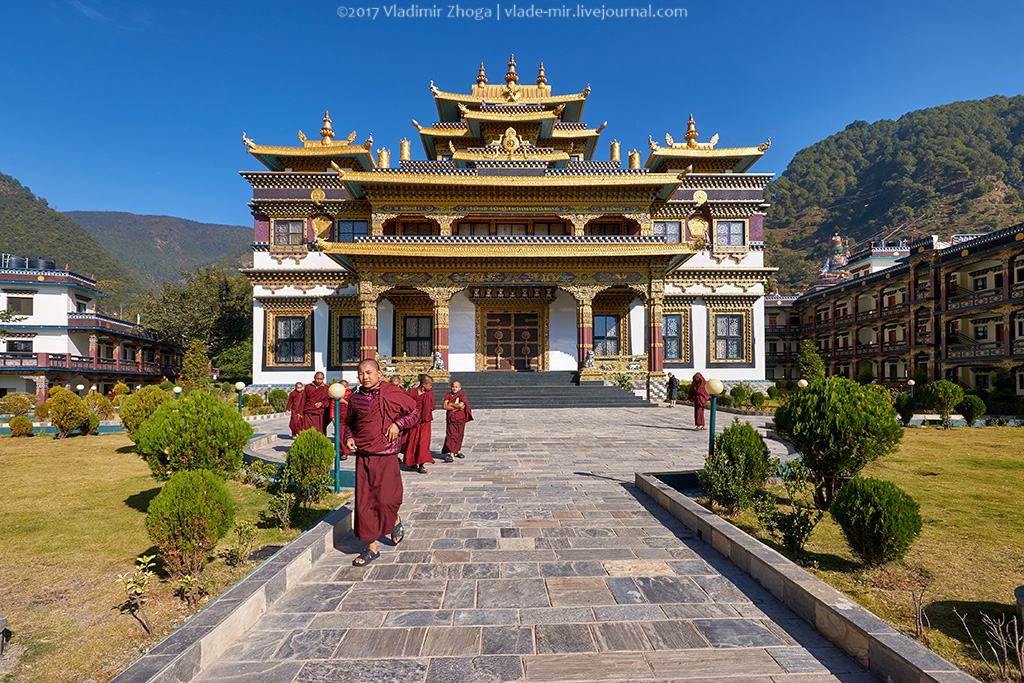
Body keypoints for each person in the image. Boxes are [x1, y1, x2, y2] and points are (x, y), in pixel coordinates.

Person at [344, 359, 420, 567]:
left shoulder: (393, 393)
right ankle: (371, 546)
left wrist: (398, 423)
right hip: (364, 454)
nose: (365, 377)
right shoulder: (356, 399)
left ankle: (394, 519)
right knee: (365, 503)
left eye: (369, 373)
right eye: (361, 373)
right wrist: (348, 437)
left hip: (386, 453)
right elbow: (349, 423)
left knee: (387, 499)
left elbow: (415, 413)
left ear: (380, 374)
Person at [403, 375, 435, 473]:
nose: (431, 387)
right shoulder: (412, 392)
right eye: (430, 385)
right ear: (424, 385)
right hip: (413, 421)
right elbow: (407, 405)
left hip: (425, 421)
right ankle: (412, 461)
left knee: (423, 442)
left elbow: (432, 406)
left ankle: (421, 464)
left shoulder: (429, 393)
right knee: (412, 441)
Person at [441, 380, 472, 462]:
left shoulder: (462, 395)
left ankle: (457, 451)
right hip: (451, 419)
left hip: (460, 418)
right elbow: (445, 406)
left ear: (460, 388)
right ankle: (451, 454)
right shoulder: (448, 395)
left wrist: (450, 404)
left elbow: (461, 405)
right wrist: (456, 407)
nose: (454, 388)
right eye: (453, 387)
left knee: (459, 435)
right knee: (451, 435)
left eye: (456, 387)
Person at [327, 380, 354, 459]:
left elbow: (353, 406)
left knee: (348, 435)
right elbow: (332, 407)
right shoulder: (336, 394)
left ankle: (348, 449)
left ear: (347, 387)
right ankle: (342, 452)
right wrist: (333, 418)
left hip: (349, 418)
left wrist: (344, 402)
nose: (343, 389)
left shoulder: (351, 395)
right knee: (340, 436)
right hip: (340, 419)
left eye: (345, 387)